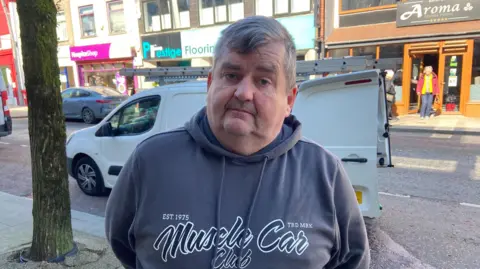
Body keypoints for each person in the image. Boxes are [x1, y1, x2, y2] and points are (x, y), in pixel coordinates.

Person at [105, 15, 370, 269]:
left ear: (289, 100)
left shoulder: (325, 173)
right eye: (231, 75)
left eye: (263, 81)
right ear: (210, 84)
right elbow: (123, 245)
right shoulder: (151, 161)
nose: (244, 93)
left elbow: (352, 260)